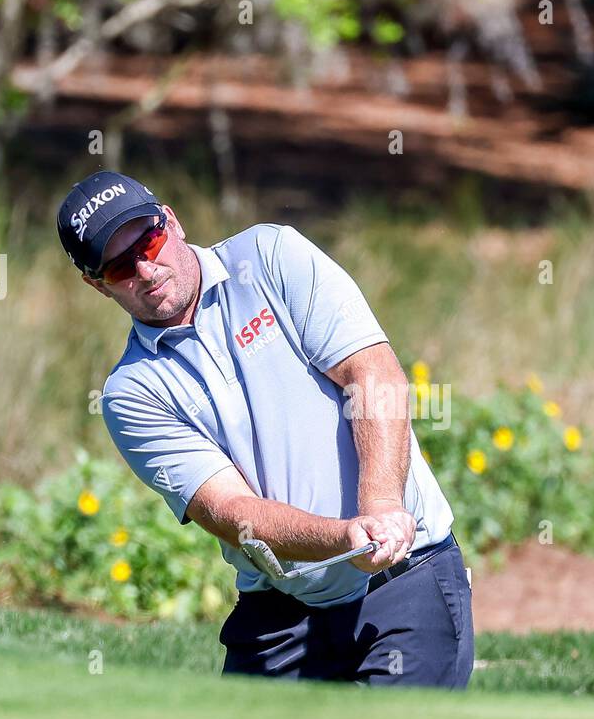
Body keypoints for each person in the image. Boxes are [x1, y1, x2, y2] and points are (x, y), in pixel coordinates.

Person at [57, 171, 473, 687]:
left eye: (149, 239)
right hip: (281, 610)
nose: (145, 268)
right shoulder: (131, 392)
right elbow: (233, 512)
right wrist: (343, 537)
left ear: (172, 220)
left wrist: (382, 509)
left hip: (406, 576)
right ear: (96, 284)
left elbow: (372, 375)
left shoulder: (271, 255)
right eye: (120, 266)